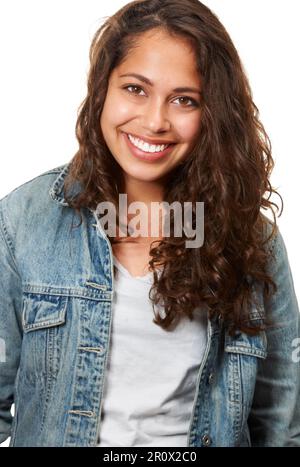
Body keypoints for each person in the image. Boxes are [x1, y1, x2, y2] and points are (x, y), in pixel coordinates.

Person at [0, 0, 299, 448]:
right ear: (102, 88)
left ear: (212, 113)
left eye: (184, 100)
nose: (155, 121)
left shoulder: (252, 240)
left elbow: (281, 425)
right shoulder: (23, 223)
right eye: (136, 89)